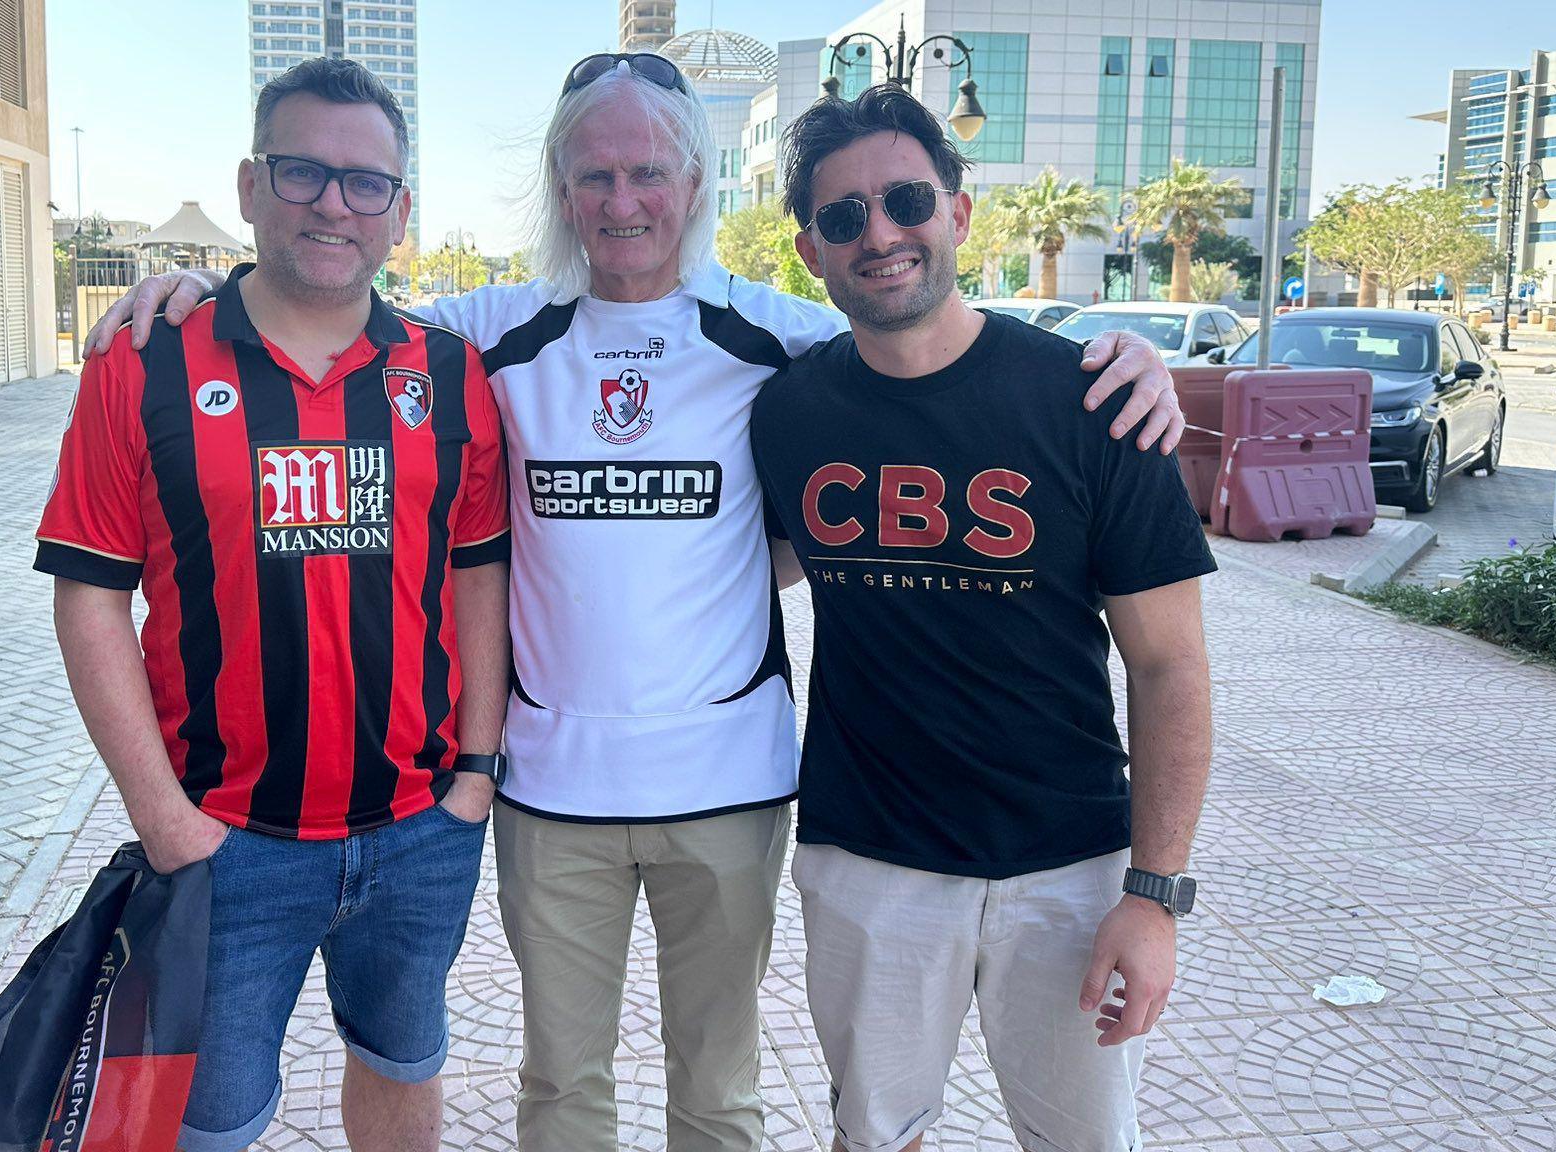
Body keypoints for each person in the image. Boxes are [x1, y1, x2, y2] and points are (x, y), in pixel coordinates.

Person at [82, 54, 1186, 1152]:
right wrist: (189, 294)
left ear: (696, 184)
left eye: (648, 173)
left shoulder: (776, 338)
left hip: (732, 784)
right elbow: (329, 302)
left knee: (717, 1086)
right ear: (561, 191)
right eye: (593, 176)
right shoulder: (482, 335)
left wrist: (1115, 358)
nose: (622, 202)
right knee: (562, 1087)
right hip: (550, 788)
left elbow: (913, 325)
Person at [37, 59, 510, 1152]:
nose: (332, 204)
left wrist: (477, 772)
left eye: (364, 184)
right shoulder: (142, 363)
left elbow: (477, 571)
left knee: (402, 1068)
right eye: (302, 172)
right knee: (203, 1125)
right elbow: (91, 601)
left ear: (401, 210)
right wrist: (163, 820)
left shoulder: (447, 373)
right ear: (251, 185)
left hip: (419, 831)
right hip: (222, 840)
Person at [749, 84, 1215, 1152]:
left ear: (957, 214)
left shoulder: (1090, 400)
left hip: (1067, 866)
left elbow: (1170, 667)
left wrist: (1151, 896)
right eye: (841, 216)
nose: (879, 233)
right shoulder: (789, 413)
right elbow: (733, 564)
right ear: (810, 250)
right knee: (876, 1136)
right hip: (868, 857)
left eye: (905, 199)